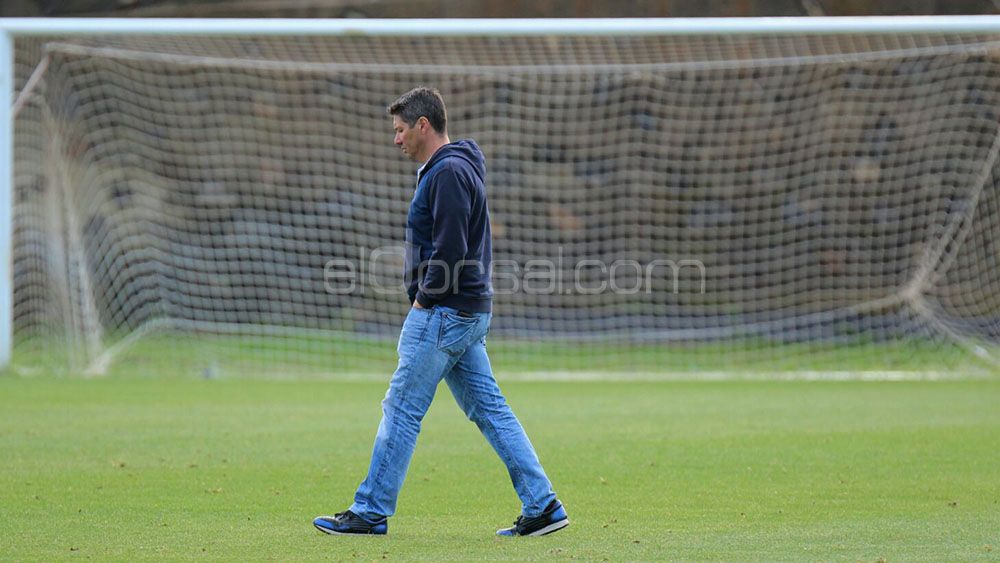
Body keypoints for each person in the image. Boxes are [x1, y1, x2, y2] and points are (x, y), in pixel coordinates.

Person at [313, 87, 568, 537]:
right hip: (466, 312)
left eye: (399, 130)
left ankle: (370, 510)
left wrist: (423, 299)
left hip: (445, 312)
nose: (396, 140)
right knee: (491, 410)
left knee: (402, 408)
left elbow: (451, 249)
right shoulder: (453, 167)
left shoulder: (448, 172)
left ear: (423, 126)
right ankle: (543, 504)